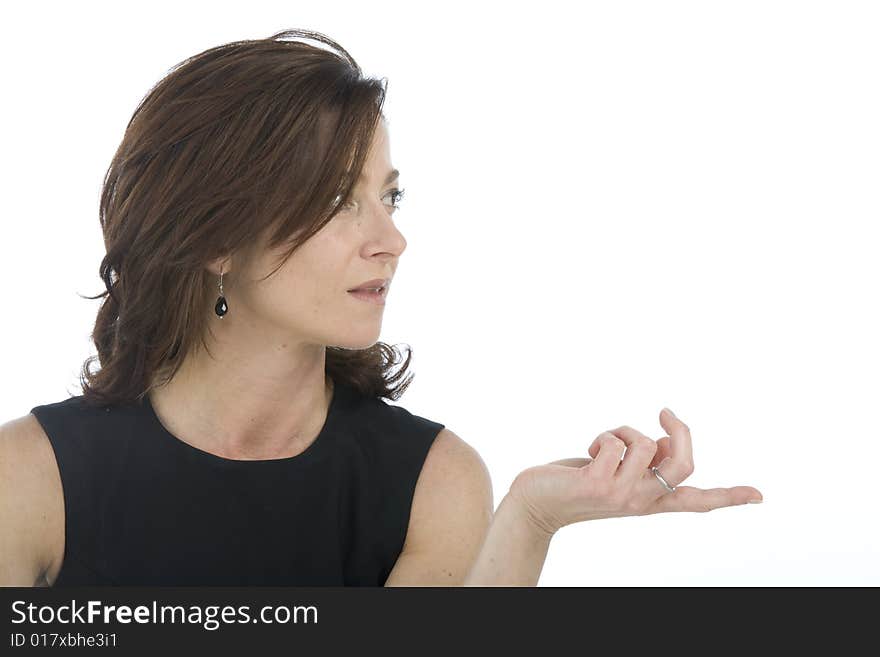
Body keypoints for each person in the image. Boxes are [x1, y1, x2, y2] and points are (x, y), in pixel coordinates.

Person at [0, 29, 762, 588]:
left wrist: (529, 520)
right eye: (338, 201)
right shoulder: (29, 476)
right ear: (214, 238)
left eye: (388, 195)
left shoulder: (433, 481)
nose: (392, 239)